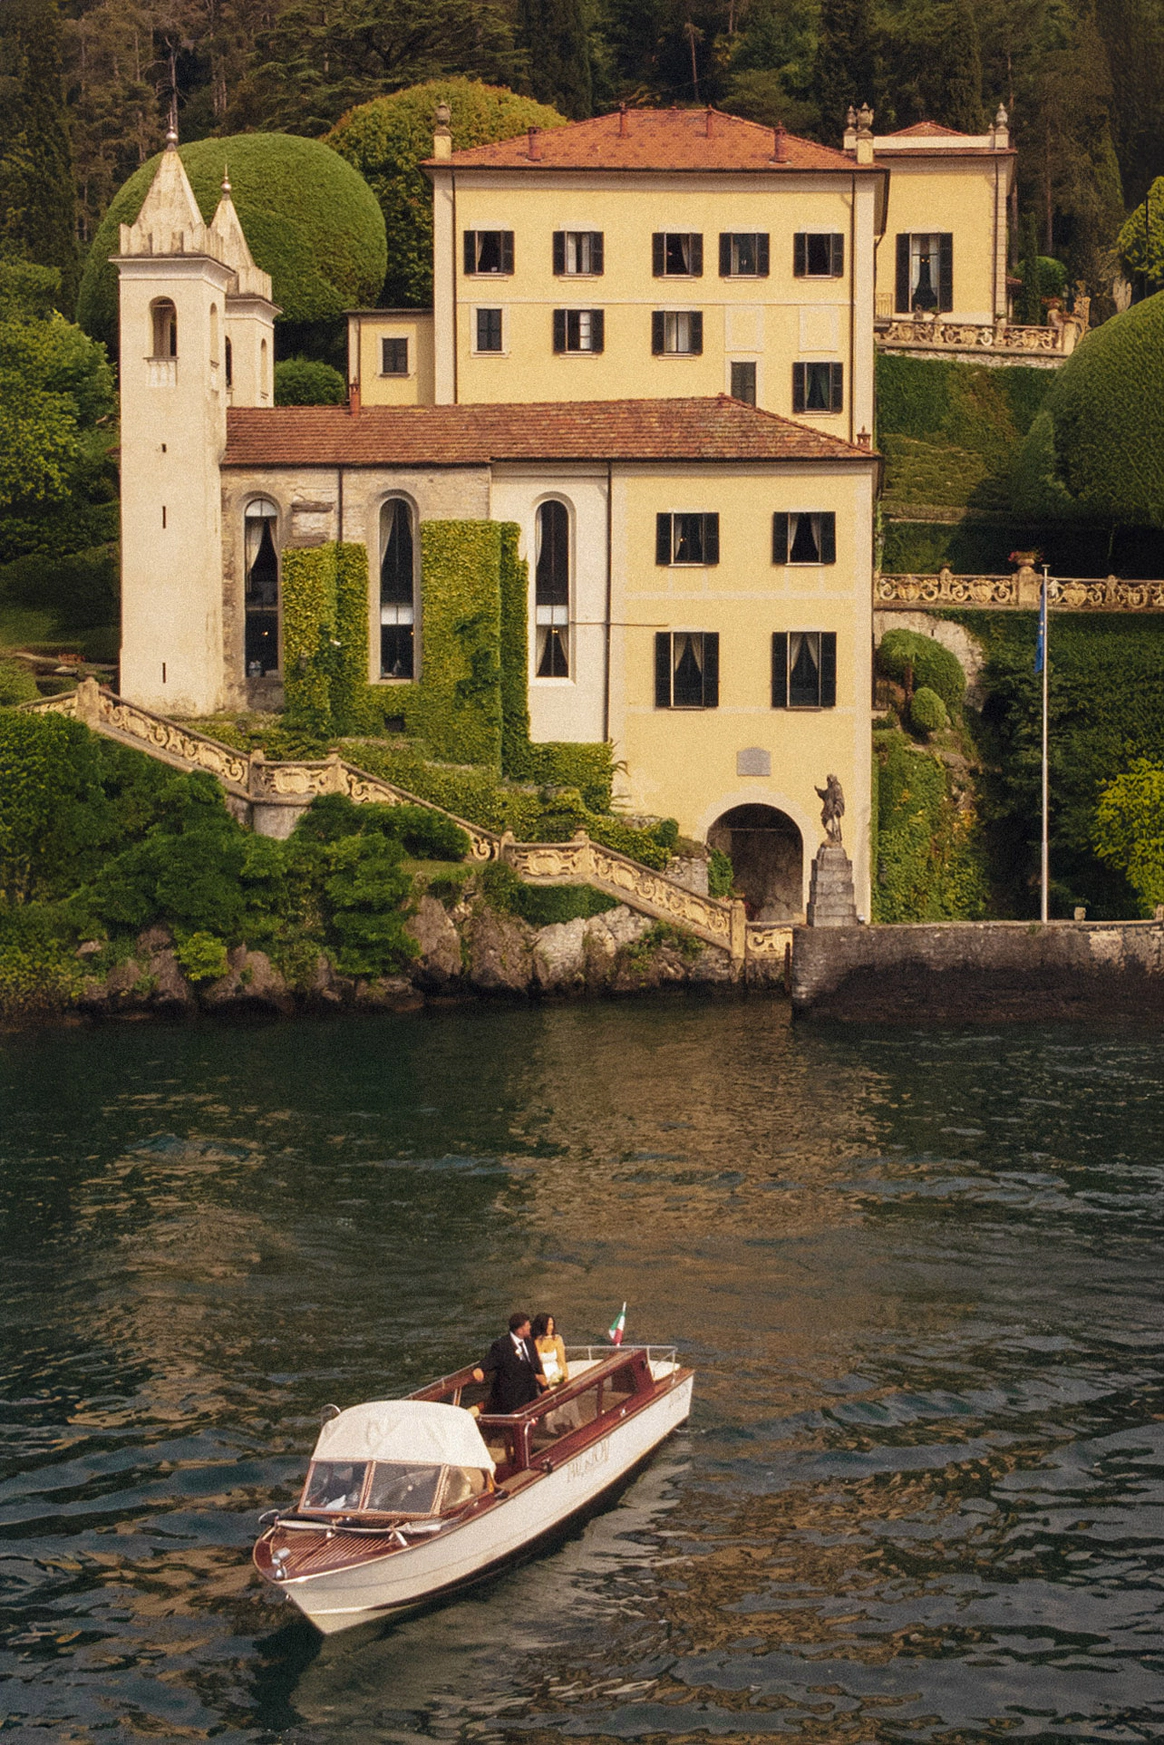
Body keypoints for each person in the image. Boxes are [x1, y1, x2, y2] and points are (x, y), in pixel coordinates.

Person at [472, 1312, 546, 1414]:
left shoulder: (529, 1342)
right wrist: (479, 1368)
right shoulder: (502, 1346)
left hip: (530, 1394)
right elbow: (490, 1360)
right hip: (512, 1397)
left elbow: (536, 1366)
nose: (530, 1327)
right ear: (519, 1330)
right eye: (527, 1325)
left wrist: (544, 1389)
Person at [532, 1313, 568, 1388]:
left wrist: (565, 1378)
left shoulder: (557, 1339)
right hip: (541, 1378)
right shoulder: (533, 1341)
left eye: (552, 1324)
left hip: (556, 1375)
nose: (551, 1327)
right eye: (548, 1325)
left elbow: (562, 1361)